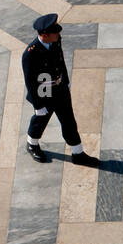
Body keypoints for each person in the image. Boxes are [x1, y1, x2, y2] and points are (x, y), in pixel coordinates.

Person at [21, 13, 98, 166]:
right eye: (54, 32)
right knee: (41, 119)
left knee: (69, 121)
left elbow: (61, 61)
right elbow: (30, 81)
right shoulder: (31, 53)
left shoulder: (55, 41)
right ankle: (32, 144)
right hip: (44, 91)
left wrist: (66, 81)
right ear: (44, 35)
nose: (58, 34)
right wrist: (38, 105)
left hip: (60, 88)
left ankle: (78, 153)